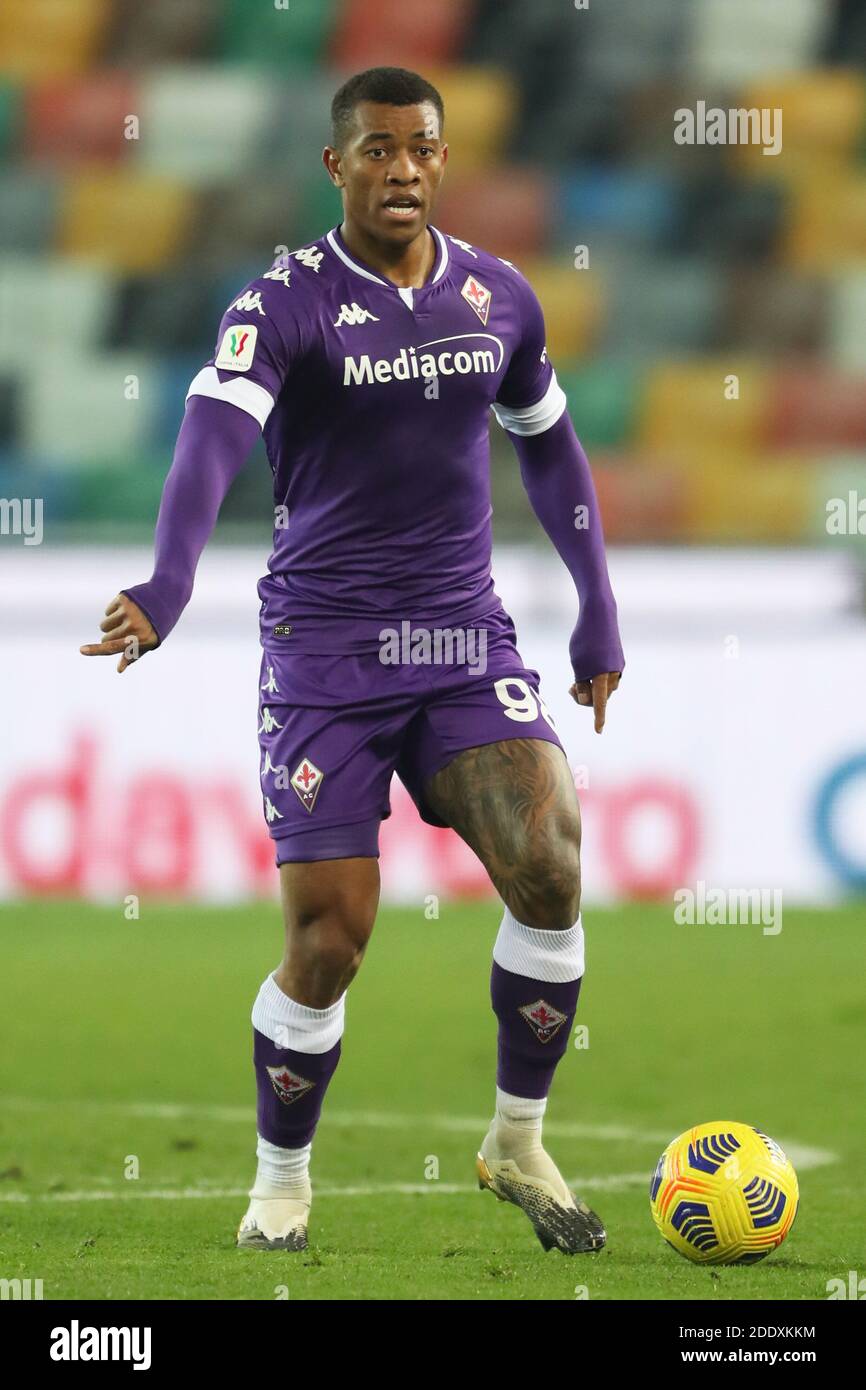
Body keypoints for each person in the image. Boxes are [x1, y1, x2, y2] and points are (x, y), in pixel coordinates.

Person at [81, 66, 623, 1256]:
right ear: (337, 166)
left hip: (458, 637)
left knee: (549, 858)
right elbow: (210, 441)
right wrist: (168, 584)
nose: (404, 169)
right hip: (326, 650)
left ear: (444, 159)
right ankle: (282, 1177)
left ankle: (515, 1135)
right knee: (330, 938)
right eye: (378, 150)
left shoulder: (499, 296)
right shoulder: (281, 303)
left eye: (422, 148)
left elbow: (550, 451)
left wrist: (595, 609)